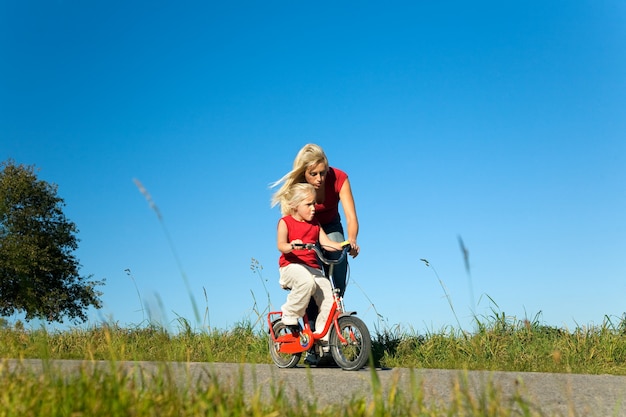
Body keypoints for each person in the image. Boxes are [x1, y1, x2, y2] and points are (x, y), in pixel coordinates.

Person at [271, 144, 360, 297]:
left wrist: (351, 240)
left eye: (323, 173)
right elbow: (289, 222)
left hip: (331, 225)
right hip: (307, 228)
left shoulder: (339, 178)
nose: (319, 179)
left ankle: (337, 305)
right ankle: (312, 311)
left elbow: (351, 216)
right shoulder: (297, 187)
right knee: (312, 270)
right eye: (313, 174)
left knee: (339, 255)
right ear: (304, 172)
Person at [275, 183, 349, 339]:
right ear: (294, 205)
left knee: (328, 293)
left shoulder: (315, 224)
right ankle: (290, 313)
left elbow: (327, 244)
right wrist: (292, 246)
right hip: (290, 267)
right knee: (306, 282)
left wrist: (345, 245)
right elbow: (281, 245)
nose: (313, 208)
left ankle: (322, 334)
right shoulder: (285, 222)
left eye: (314, 203)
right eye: (308, 204)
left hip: (312, 269)